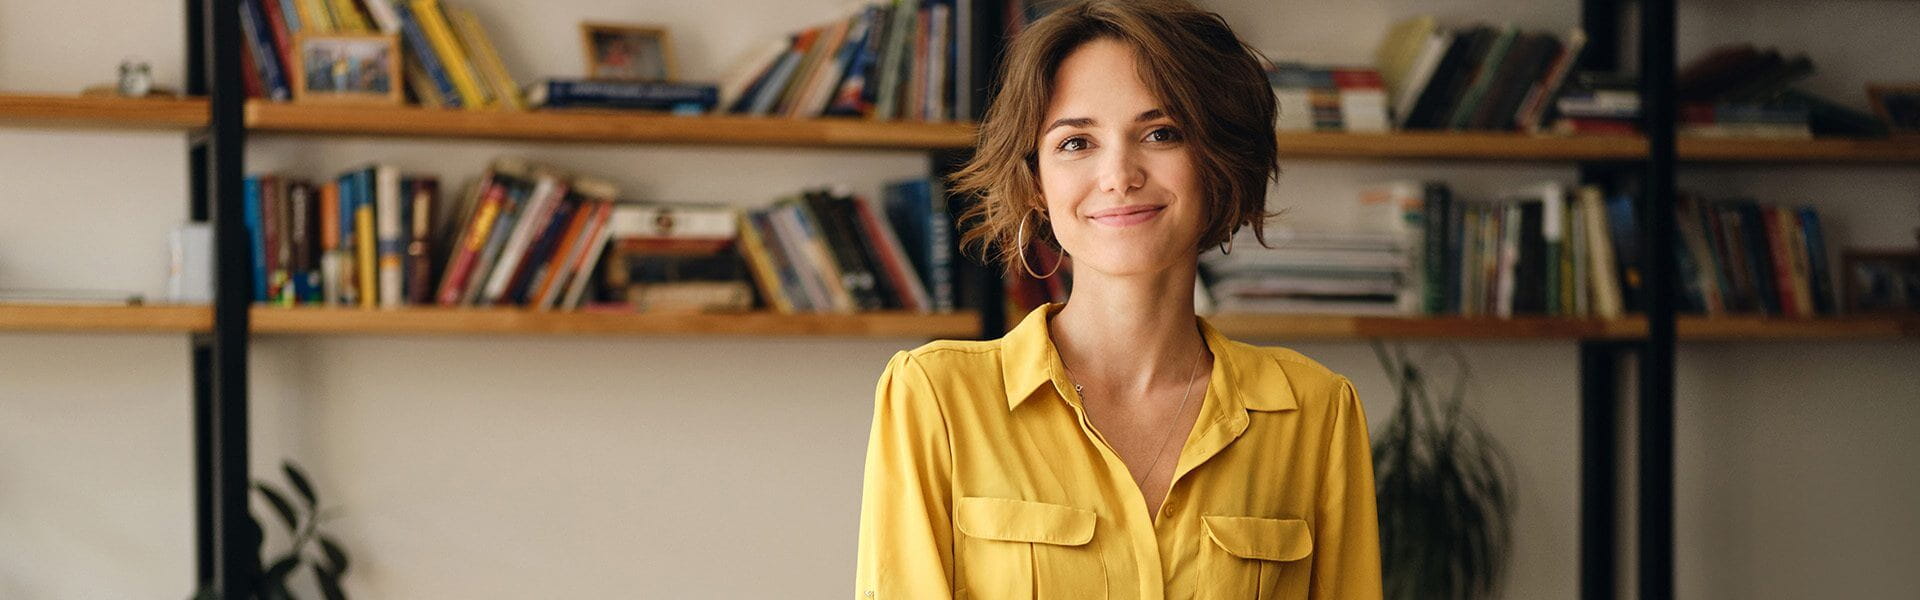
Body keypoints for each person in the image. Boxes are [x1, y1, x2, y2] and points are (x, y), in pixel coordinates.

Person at [853, 0, 1382, 598]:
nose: (1119, 174)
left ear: (1220, 162)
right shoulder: (935, 397)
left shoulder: (1315, 411)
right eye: (1076, 143)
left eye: (1161, 133)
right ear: (1035, 180)